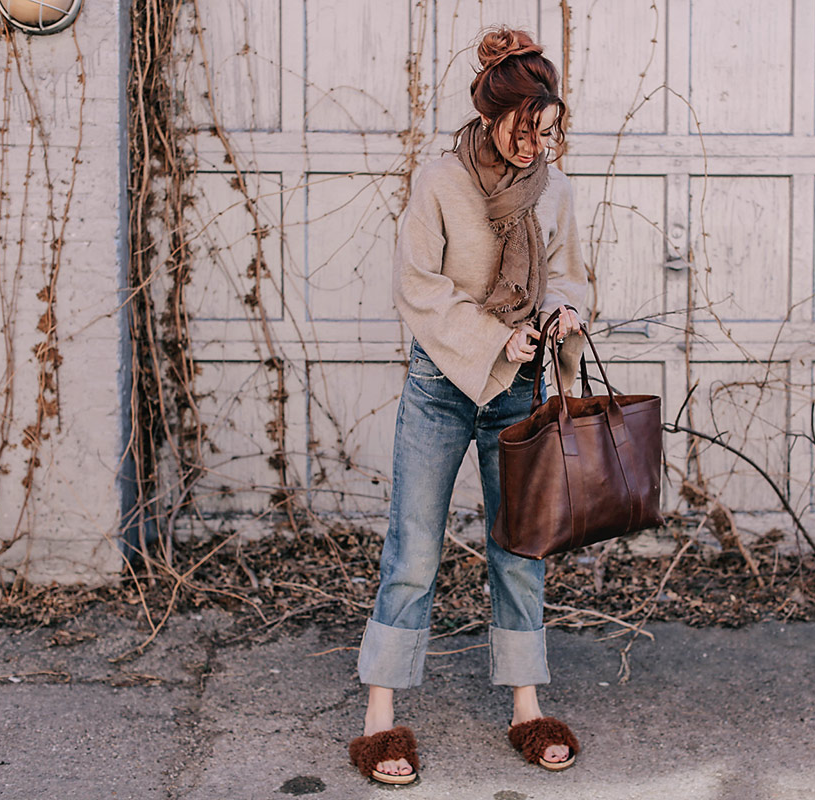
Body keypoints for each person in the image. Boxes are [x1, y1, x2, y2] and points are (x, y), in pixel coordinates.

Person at [346, 27, 589, 786]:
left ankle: (526, 708)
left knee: (519, 550)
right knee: (414, 548)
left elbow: (573, 275)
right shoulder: (440, 182)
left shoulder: (556, 189)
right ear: (493, 115)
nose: (535, 145)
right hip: (441, 388)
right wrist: (493, 339)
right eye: (526, 128)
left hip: (519, 392)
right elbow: (419, 285)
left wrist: (565, 315)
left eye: (548, 131)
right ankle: (380, 721)